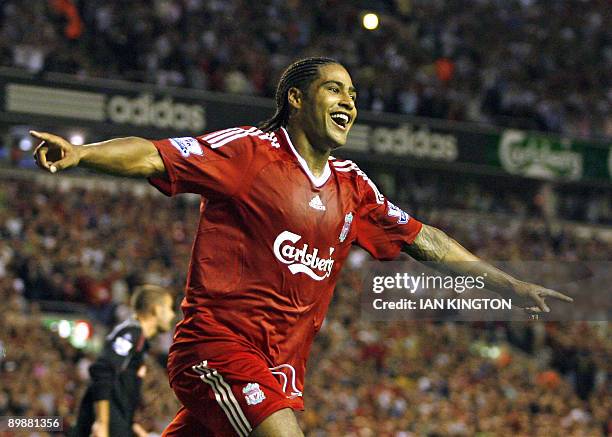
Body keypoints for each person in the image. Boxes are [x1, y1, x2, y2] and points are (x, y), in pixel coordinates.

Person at [32, 57, 573, 437]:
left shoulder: (353, 185)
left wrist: (506, 282)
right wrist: (81, 155)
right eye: (335, 89)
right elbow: (155, 155)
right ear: (296, 97)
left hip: (280, 372)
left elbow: (423, 239)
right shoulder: (250, 153)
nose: (349, 101)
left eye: (354, 95)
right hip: (216, 351)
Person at [72, 284, 176, 437]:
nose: (172, 315)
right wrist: (102, 422)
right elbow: (102, 369)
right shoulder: (131, 332)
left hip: (119, 422)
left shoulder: (140, 341)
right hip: (105, 425)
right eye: (169, 308)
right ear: (156, 309)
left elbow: (120, 388)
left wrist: (131, 426)